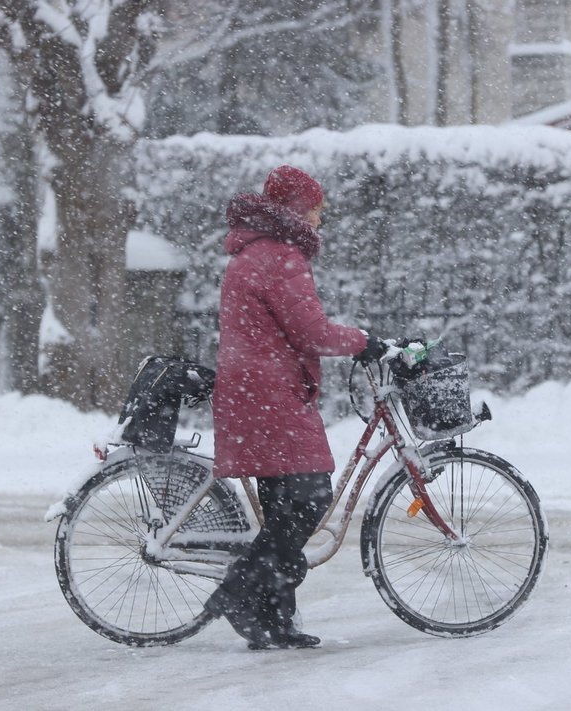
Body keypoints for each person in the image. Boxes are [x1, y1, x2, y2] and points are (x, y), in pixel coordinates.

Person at [204, 165, 388, 650]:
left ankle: (271, 620)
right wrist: (363, 342)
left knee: (284, 506)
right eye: (315, 208)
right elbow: (312, 332)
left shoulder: (256, 251)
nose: (320, 219)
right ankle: (243, 590)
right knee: (307, 499)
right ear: (294, 209)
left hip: (255, 390)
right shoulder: (278, 255)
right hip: (270, 393)